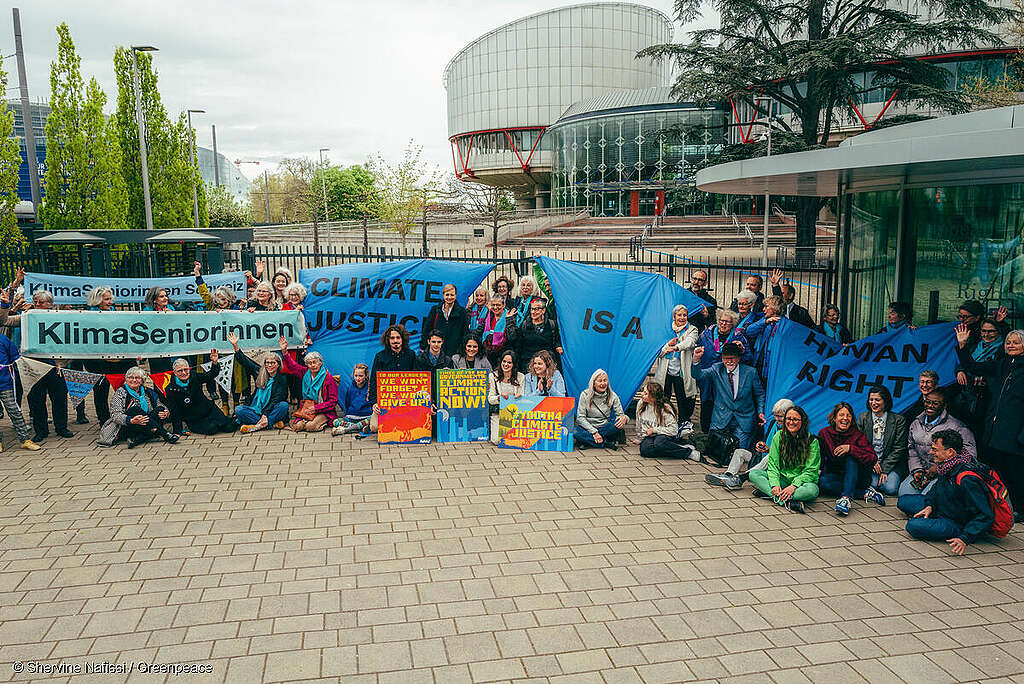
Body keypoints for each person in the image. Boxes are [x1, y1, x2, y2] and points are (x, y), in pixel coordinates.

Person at [956, 325, 1024, 517]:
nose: (1011, 345)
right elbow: (972, 366)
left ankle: (1019, 508)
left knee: (1015, 473)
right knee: (997, 470)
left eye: (1016, 343)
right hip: (995, 430)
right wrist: (963, 346)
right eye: (1008, 342)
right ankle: (1000, 505)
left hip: (1015, 434)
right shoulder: (1002, 363)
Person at [899, 430, 995, 556]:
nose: (931, 452)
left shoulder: (967, 479)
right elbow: (936, 489)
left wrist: (965, 537)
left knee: (912, 526)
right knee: (903, 501)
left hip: (955, 522)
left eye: (935, 449)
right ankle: (931, 515)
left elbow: (986, 515)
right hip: (942, 506)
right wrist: (929, 505)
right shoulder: (948, 466)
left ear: (950, 452)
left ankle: (947, 527)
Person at [898, 389, 977, 503]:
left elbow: (970, 456)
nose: (930, 406)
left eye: (935, 403)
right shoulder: (915, 423)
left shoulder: (957, 427)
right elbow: (912, 449)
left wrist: (939, 468)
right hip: (923, 471)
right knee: (903, 495)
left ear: (944, 405)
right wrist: (917, 470)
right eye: (927, 402)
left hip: (945, 474)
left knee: (926, 499)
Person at [17, 289, 73, 442]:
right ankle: (41, 431)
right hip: (33, 365)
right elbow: (5, 321)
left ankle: (61, 427)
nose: (37, 304)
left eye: (40, 302)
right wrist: (7, 306)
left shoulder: (59, 317)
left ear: (50, 304)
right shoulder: (27, 317)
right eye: (35, 302)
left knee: (59, 398)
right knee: (36, 399)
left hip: (56, 365)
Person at [705, 398, 793, 491]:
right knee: (739, 452)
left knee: (770, 456)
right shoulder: (773, 423)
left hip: (775, 463)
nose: (777, 418)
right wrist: (760, 444)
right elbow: (766, 439)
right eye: (776, 416)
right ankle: (728, 475)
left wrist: (769, 450)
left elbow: (784, 453)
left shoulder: (792, 430)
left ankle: (740, 479)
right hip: (760, 458)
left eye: (780, 416)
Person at [691, 342, 765, 452]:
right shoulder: (717, 369)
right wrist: (696, 360)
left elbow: (759, 394)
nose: (729, 362)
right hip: (721, 419)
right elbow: (698, 375)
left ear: (739, 358)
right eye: (726, 359)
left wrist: (760, 411)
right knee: (717, 453)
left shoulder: (751, 372)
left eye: (732, 358)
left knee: (738, 452)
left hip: (743, 419)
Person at [748, 406, 821, 513]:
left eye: (795, 419)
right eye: (788, 419)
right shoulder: (778, 436)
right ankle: (787, 501)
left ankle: (772, 495)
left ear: (803, 422)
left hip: (800, 484)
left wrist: (793, 486)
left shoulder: (812, 441)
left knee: (813, 491)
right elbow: (773, 465)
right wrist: (775, 484)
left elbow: (811, 471)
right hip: (781, 480)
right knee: (753, 474)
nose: (791, 422)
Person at [82, 286, 134, 425]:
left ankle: (126, 417)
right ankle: (103, 421)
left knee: (125, 389)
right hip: (98, 362)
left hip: (119, 360)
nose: (110, 302)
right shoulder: (87, 317)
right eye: (106, 299)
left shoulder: (117, 314)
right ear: (97, 300)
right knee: (100, 392)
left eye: (111, 299)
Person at [695, 309, 752, 433]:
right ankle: (705, 431)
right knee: (706, 401)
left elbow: (749, 359)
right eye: (721, 321)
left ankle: (720, 431)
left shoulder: (738, 336)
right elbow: (697, 346)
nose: (723, 324)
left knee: (722, 403)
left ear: (733, 324)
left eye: (727, 322)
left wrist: (743, 351)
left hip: (725, 377)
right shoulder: (707, 332)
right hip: (708, 374)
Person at [817, 402, 879, 515]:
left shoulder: (858, 435)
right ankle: (863, 493)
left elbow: (872, 457)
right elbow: (820, 455)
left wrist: (851, 449)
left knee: (851, 457)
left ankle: (846, 498)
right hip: (838, 476)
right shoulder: (825, 433)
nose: (845, 418)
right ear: (834, 418)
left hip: (859, 476)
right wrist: (818, 469)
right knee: (822, 483)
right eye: (841, 415)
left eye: (848, 415)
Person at [97, 366, 178, 448]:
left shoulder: (148, 391)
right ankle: (163, 433)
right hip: (127, 426)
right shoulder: (120, 392)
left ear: (142, 380)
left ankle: (138, 439)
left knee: (160, 409)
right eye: (131, 377)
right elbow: (115, 415)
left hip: (145, 423)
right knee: (134, 409)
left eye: (137, 378)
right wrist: (131, 420)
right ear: (126, 379)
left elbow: (159, 404)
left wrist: (166, 412)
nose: (134, 380)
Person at [229, 332, 290, 433]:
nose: (269, 365)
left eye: (272, 363)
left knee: (283, 405)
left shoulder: (281, 379)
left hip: (271, 409)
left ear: (278, 365)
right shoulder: (259, 372)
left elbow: (277, 399)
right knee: (239, 410)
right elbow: (245, 362)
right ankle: (270, 423)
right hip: (256, 409)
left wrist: (265, 414)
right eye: (267, 363)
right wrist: (235, 346)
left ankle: (256, 425)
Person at [164, 353, 236, 435]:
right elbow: (174, 411)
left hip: (209, 410)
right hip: (193, 418)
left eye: (186, 369)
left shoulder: (194, 376)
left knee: (229, 427)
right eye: (180, 371)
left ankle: (237, 419)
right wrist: (177, 431)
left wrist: (215, 363)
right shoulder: (170, 389)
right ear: (175, 372)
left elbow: (210, 375)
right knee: (212, 429)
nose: (184, 373)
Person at [857, 385, 909, 499]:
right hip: (870, 463)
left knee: (891, 489)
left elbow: (899, 448)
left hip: (890, 464)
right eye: (871, 399)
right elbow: (859, 444)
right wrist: (871, 461)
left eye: (877, 399)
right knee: (874, 484)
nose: (873, 403)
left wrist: (885, 469)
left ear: (885, 401)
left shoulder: (898, 420)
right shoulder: (862, 418)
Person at [653, 304, 698, 428]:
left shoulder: (692, 329)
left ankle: (683, 423)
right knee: (664, 398)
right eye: (679, 315)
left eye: (684, 315)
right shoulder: (667, 329)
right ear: (674, 317)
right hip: (666, 371)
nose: (682, 317)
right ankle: (664, 421)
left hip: (682, 372)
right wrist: (668, 345)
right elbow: (658, 352)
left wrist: (677, 347)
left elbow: (690, 342)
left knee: (683, 399)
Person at [279, 338, 337, 432]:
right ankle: (309, 421)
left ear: (320, 363)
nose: (313, 365)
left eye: (315, 362)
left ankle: (323, 422)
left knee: (310, 427)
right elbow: (292, 366)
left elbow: (333, 401)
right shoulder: (305, 372)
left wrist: (315, 408)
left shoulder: (328, 378)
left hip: (323, 410)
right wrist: (284, 351)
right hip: (307, 408)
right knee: (298, 426)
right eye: (309, 363)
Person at [367, 325, 418, 432]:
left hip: (407, 402)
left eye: (398, 337)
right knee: (375, 427)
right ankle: (366, 421)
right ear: (388, 340)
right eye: (392, 338)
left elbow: (418, 380)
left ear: (403, 339)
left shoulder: (411, 355)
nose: (395, 341)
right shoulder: (380, 356)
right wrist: (374, 402)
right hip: (386, 401)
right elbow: (374, 382)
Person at [632, 379, 699, 460]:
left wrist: (654, 430)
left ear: (653, 397)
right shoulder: (641, 403)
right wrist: (640, 438)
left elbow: (674, 430)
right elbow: (638, 422)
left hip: (664, 435)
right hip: (650, 436)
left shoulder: (665, 408)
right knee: (645, 450)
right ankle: (673, 448)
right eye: (643, 391)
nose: (642, 394)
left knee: (659, 443)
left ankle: (688, 452)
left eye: (645, 393)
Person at [0, 330, 40, 451]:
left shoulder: (3, 340)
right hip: (6, 381)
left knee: (14, 411)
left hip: (5, 383)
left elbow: (15, 357)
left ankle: (25, 440)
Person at [575, 369, 627, 450]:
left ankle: (587, 442)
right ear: (594, 383)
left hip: (604, 427)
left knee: (617, 424)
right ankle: (606, 443)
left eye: (605, 380)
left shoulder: (613, 396)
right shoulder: (584, 395)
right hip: (588, 427)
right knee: (575, 431)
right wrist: (594, 432)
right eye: (600, 381)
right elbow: (580, 418)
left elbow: (620, 415)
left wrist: (625, 418)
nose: (603, 383)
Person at [420, 283, 468, 358]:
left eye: (452, 295)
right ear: (443, 295)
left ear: (455, 295)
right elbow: (426, 329)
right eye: (447, 294)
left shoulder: (462, 312)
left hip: (455, 353)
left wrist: (461, 350)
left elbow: (465, 332)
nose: (449, 297)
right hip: (436, 351)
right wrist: (423, 346)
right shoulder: (435, 310)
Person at [516, 298, 563, 373]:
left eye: (537, 309)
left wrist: (558, 346)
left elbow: (556, 340)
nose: (533, 312)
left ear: (543, 310)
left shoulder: (551, 325)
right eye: (532, 309)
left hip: (547, 364)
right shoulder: (524, 325)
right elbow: (519, 346)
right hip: (528, 365)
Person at [488, 350, 525, 444]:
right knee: (497, 440)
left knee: (515, 439)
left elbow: (523, 396)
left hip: (515, 413)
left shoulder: (521, 377)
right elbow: (490, 399)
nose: (506, 364)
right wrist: (499, 398)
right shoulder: (493, 376)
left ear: (514, 364)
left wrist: (519, 397)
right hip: (498, 413)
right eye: (504, 361)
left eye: (509, 362)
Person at [143, 286, 177, 374]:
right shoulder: (147, 312)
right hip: (156, 349)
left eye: (166, 296)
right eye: (161, 296)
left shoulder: (172, 309)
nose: (165, 298)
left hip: (171, 348)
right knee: (158, 375)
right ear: (154, 300)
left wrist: (174, 316)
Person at [476, 296, 517, 367]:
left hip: (503, 356)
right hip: (488, 354)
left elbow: (512, 337)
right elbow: (479, 331)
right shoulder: (489, 316)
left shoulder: (509, 316)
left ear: (503, 305)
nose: (495, 307)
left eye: (498, 305)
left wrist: (509, 319)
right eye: (493, 305)